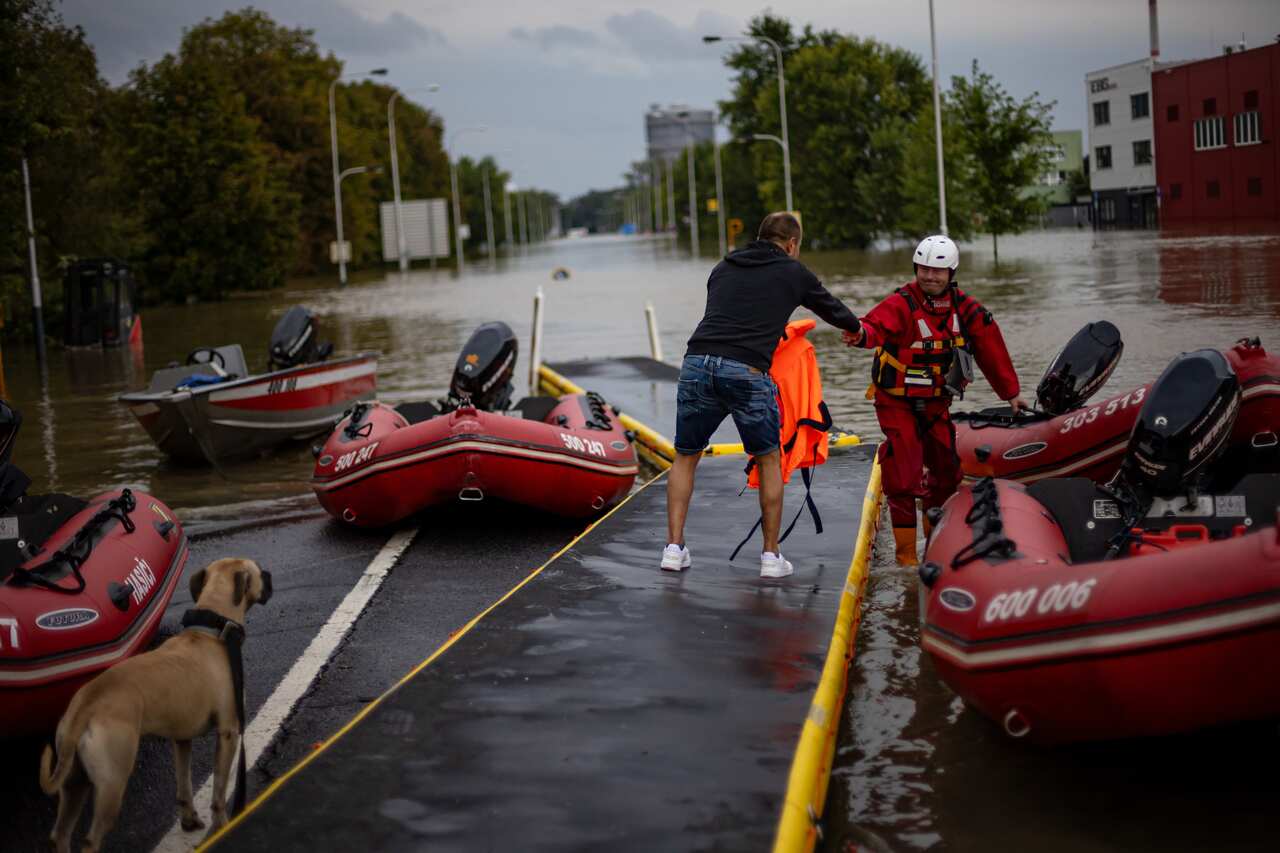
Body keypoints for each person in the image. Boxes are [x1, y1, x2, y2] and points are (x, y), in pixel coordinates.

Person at [663, 212, 863, 578]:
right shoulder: (792, 271)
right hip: (746, 371)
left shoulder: (724, 266)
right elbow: (832, 309)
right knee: (770, 459)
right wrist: (859, 331)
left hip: (696, 362)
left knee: (685, 456)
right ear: (791, 244)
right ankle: (771, 557)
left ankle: (674, 549)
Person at [843, 235, 1027, 566]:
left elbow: (991, 350)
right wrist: (860, 336)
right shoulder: (901, 303)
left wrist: (1012, 394)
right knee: (903, 473)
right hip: (896, 402)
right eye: (924, 269)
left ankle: (933, 543)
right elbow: (872, 327)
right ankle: (906, 560)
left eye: (938, 271)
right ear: (916, 268)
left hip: (936, 404)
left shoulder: (967, 309)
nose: (930, 276)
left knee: (946, 472)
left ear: (951, 273)